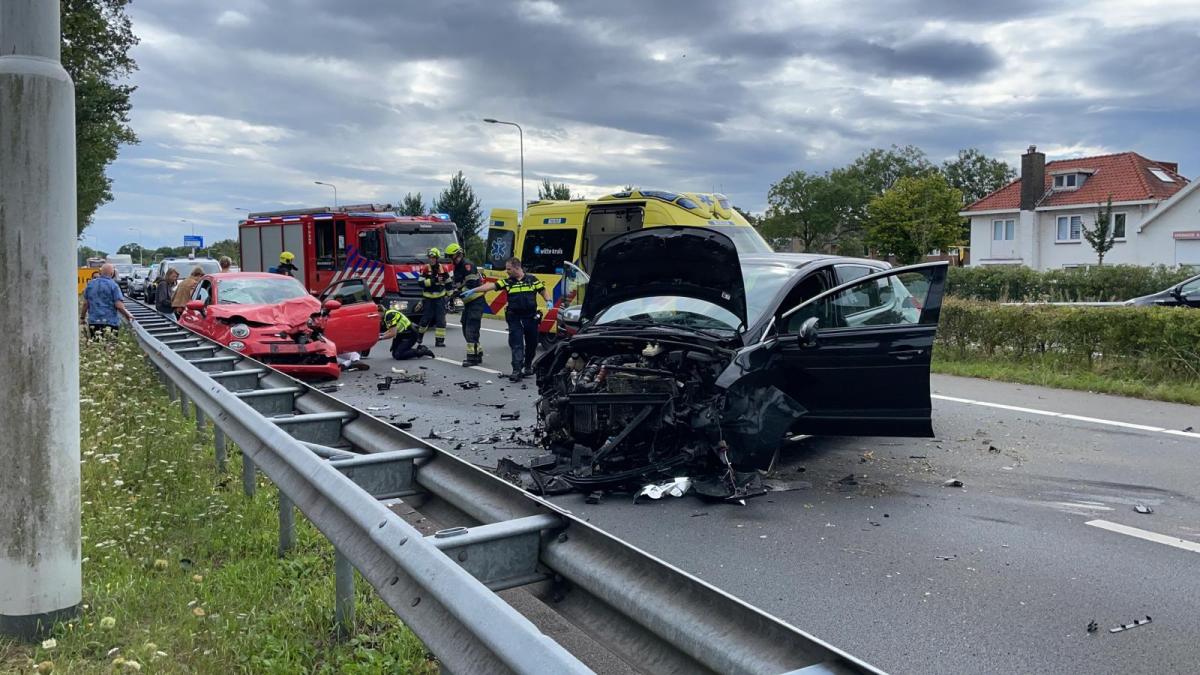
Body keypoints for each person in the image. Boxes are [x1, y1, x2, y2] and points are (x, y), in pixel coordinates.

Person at [463, 256, 550, 382]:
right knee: (516, 343)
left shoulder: (532, 280)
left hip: (530, 317)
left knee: (532, 344)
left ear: (517, 267)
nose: (506, 271)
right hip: (514, 316)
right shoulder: (508, 282)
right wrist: (474, 290)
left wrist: (548, 301)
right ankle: (516, 370)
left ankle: (527, 365)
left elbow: (542, 291)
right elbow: (490, 286)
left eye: (508, 269)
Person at [445, 242, 485, 366]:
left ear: (458, 254)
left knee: (471, 329)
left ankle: (472, 358)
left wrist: (458, 293)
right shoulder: (458, 267)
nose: (450, 259)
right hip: (469, 302)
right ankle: (477, 352)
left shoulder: (467, 265)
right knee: (465, 325)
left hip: (476, 301)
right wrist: (453, 293)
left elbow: (471, 285)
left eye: (451, 256)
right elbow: (458, 284)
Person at [80, 263, 134, 338]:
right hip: (110, 322)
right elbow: (119, 306)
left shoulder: (90, 284)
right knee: (110, 343)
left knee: (97, 343)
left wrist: (82, 318)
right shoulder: (113, 285)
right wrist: (127, 315)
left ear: (100, 272)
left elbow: (85, 304)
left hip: (94, 322)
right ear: (112, 273)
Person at [418, 247, 449, 347]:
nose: (431, 260)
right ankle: (419, 337)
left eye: (433, 258)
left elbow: (448, 283)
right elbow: (420, 282)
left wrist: (451, 295)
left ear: (437, 258)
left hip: (440, 298)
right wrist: (433, 281)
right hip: (428, 298)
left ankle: (439, 341)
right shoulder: (425, 268)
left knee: (441, 320)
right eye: (430, 258)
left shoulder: (443, 269)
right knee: (425, 319)